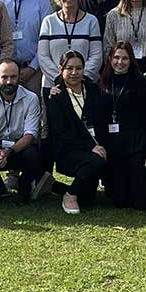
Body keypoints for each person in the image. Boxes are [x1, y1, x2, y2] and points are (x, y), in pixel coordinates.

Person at [97, 42, 146, 209]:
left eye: (125, 58)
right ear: (110, 59)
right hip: (112, 146)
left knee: (142, 203)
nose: (120, 62)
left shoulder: (141, 83)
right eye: (116, 58)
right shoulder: (102, 82)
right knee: (120, 201)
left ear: (131, 60)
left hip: (136, 145)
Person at [48, 50, 109, 214]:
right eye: (69, 68)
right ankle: (70, 194)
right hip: (69, 150)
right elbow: (61, 133)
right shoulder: (56, 97)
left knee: (88, 200)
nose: (74, 72)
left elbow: (101, 121)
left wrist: (101, 145)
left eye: (79, 68)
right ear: (61, 69)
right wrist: (91, 147)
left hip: (96, 147)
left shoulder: (93, 90)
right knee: (96, 161)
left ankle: (54, 187)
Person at [0, 59, 43, 204]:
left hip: (20, 148)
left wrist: (8, 152)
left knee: (34, 156)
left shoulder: (31, 99)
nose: (9, 81)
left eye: (13, 77)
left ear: (19, 77)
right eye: (4, 77)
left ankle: (24, 191)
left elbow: (30, 135)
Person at [39, 0, 104, 88]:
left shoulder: (91, 21)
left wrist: (79, 78)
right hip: (53, 86)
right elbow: (43, 56)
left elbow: (96, 55)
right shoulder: (48, 22)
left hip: (84, 86)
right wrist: (59, 79)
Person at [0, 0, 52, 95]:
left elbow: (47, 40)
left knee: (34, 113)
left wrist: (33, 67)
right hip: (5, 73)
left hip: (33, 71)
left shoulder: (42, 2)